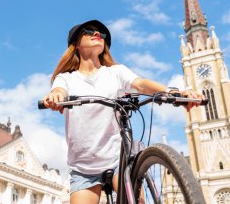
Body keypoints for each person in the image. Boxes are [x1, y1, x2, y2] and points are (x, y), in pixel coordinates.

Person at [42, 19, 203, 204]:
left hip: (117, 160)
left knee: (135, 199)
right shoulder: (67, 78)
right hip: (83, 169)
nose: (98, 35)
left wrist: (173, 92)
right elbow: (59, 90)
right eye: (90, 31)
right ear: (76, 45)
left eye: (102, 34)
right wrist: (56, 97)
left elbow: (141, 84)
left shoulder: (116, 72)